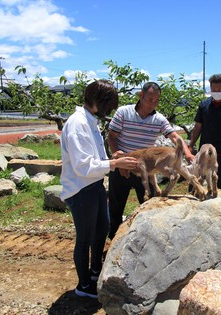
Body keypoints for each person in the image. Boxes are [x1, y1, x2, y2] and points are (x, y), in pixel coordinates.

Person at [60, 80, 139, 299]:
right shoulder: (77, 124)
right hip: (80, 190)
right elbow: (82, 166)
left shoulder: (91, 121)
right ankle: (83, 285)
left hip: (94, 185)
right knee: (84, 237)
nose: (110, 111)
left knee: (102, 228)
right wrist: (114, 165)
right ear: (97, 101)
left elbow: (92, 158)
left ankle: (95, 272)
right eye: (109, 106)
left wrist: (109, 158)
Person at [107, 81, 194, 239]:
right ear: (141, 96)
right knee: (116, 206)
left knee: (150, 205)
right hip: (122, 167)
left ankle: (147, 240)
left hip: (146, 168)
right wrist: (120, 162)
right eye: (150, 99)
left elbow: (173, 135)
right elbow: (112, 137)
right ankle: (113, 240)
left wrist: (187, 153)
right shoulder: (123, 112)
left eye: (157, 100)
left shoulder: (159, 119)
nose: (153, 103)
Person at [189, 74, 221, 191]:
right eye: (213, 89)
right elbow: (197, 127)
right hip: (203, 151)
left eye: (219, 90)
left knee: (220, 184)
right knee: (195, 181)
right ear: (210, 89)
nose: (216, 92)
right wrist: (191, 145)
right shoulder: (203, 106)